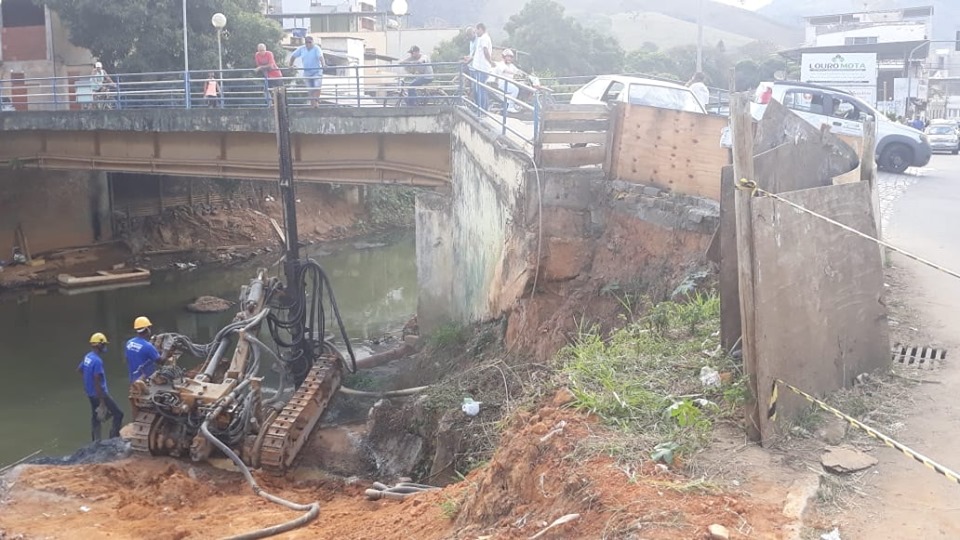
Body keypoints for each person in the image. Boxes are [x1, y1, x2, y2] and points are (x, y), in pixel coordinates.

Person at [78, 333, 124, 442]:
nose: (105, 347)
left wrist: (87, 383)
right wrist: (102, 401)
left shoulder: (88, 357)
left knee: (95, 417)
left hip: (90, 394)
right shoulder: (97, 361)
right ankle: (113, 440)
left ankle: (95, 441)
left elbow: (80, 370)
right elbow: (97, 381)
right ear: (99, 345)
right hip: (100, 394)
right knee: (118, 414)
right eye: (104, 345)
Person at [464, 23, 493, 111]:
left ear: (480, 29)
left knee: (481, 89)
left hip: (481, 68)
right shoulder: (480, 39)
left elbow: (485, 51)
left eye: (476, 30)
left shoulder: (483, 39)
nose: (476, 32)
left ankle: (482, 110)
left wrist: (491, 62)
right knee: (477, 89)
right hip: (476, 68)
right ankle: (480, 108)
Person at [290, 36, 324, 107]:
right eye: (306, 42)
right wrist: (291, 65)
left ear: (313, 42)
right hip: (307, 72)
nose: (308, 44)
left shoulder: (316, 48)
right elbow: (293, 56)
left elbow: (320, 57)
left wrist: (324, 64)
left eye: (310, 42)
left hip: (316, 71)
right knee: (310, 89)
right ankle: (313, 105)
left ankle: (316, 102)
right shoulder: (302, 49)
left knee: (317, 86)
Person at [125, 316, 162, 383]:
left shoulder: (129, 342)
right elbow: (160, 361)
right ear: (147, 329)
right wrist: (166, 350)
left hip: (133, 379)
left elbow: (131, 356)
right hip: (144, 381)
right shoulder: (148, 346)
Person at [491, 49, 524, 113]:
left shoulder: (511, 65)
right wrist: (514, 73)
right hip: (501, 82)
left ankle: (514, 103)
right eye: (507, 57)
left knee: (520, 86)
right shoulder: (501, 64)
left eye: (510, 57)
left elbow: (517, 70)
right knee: (515, 90)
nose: (509, 58)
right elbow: (505, 70)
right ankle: (510, 107)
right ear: (504, 57)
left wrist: (524, 74)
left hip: (509, 83)